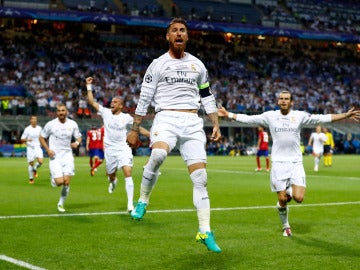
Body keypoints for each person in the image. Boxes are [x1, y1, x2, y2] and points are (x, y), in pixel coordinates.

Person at [126, 18, 222, 253]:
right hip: (166, 118)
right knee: (158, 154)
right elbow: (145, 96)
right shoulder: (158, 64)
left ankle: (204, 231)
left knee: (200, 178)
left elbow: (207, 95)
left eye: (183, 31)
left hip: (192, 122)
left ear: (187, 36)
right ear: (167, 37)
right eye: (174, 31)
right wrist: (135, 127)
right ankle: (143, 200)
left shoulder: (198, 65)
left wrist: (215, 123)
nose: (179, 34)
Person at [218, 90, 360, 237]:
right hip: (278, 163)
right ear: (278, 101)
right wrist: (228, 114)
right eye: (281, 99)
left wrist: (345, 115)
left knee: (299, 198)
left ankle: (288, 190)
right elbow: (249, 119)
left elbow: (323, 118)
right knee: (282, 200)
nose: (284, 101)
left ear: (291, 102)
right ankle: (286, 226)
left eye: (286, 99)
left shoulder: (299, 116)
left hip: (295, 162)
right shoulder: (270, 116)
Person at [86, 76, 150, 213]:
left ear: (121, 105)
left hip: (123, 148)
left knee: (128, 172)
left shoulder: (126, 117)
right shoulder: (105, 112)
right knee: (111, 174)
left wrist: (150, 135)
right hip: (109, 150)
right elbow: (91, 102)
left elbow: (137, 127)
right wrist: (88, 86)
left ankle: (130, 205)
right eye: (112, 101)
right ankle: (113, 181)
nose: (112, 103)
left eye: (115, 102)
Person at [39, 104, 82, 213]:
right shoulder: (51, 124)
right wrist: (48, 150)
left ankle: (61, 203)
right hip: (55, 156)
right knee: (59, 182)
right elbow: (41, 137)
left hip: (67, 155)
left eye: (63, 110)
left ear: (66, 112)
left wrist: (77, 143)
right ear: (56, 112)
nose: (61, 112)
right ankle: (53, 177)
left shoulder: (72, 124)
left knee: (66, 182)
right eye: (59, 111)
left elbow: (79, 137)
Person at [20, 115, 44, 184]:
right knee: (31, 163)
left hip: (37, 146)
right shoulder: (27, 129)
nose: (34, 120)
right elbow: (22, 139)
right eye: (33, 119)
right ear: (30, 120)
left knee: (41, 161)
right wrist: (27, 139)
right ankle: (31, 179)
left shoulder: (39, 128)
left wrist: (42, 143)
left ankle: (35, 168)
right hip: (30, 148)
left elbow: (41, 137)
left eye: (35, 119)